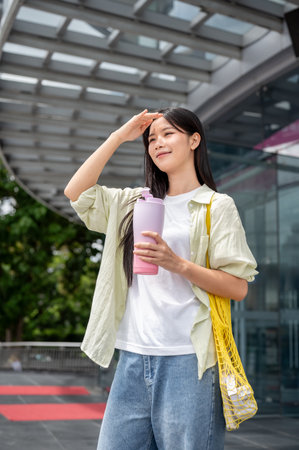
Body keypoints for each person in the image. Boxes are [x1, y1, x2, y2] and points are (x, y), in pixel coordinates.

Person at [64, 108, 258, 450]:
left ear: (194, 140)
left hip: (189, 361)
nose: (157, 143)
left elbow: (238, 286)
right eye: (151, 139)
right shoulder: (134, 202)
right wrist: (117, 137)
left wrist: (178, 264)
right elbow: (76, 193)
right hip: (133, 358)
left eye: (168, 134)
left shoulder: (216, 206)